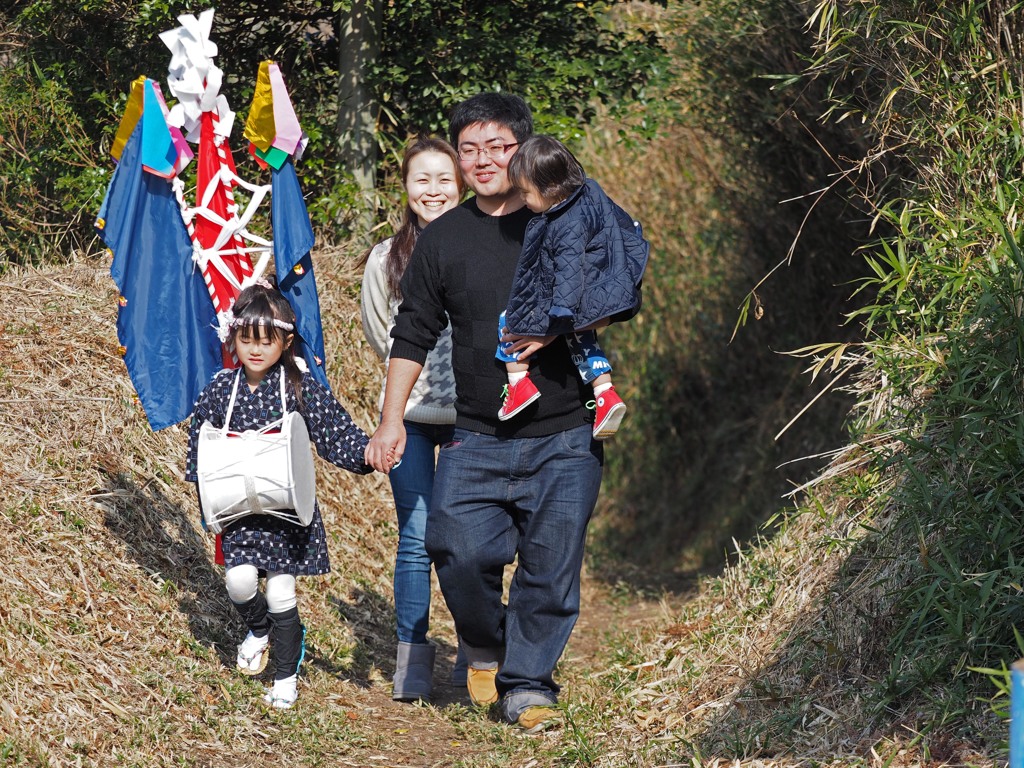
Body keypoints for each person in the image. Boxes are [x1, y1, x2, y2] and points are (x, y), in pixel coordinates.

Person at [366, 93, 613, 733]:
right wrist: (392, 420)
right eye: (470, 148)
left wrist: (553, 332)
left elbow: (616, 293)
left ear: (523, 149)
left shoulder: (559, 220)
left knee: (550, 566)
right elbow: (412, 331)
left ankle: (529, 688)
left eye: (498, 146)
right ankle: (487, 641)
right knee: (455, 546)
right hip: (475, 435)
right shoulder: (444, 238)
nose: (484, 159)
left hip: (564, 430)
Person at [186, 281, 374, 710]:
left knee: (281, 593)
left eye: (266, 340)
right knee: (239, 582)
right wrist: (206, 498)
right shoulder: (220, 387)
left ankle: (285, 678)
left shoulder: (298, 385)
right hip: (238, 510)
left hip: (286, 511)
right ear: (232, 338)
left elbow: (333, 430)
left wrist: (367, 453)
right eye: (246, 339)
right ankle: (258, 630)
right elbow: (202, 442)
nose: (255, 349)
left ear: (286, 342)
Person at [360, 136, 466, 702]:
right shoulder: (385, 259)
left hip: (473, 418)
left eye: (444, 179)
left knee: (474, 536)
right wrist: (410, 387)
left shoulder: (485, 243)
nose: (434, 190)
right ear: (405, 187)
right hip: (411, 418)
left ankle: (475, 649)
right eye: (421, 179)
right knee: (417, 535)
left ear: (462, 183)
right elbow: (382, 333)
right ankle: (412, 660)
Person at [495, 134, 648, 440]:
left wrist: (560, 314)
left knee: (509, 320)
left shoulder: (565, 225)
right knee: (582, 335)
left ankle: (518, 384)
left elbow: (568, 270)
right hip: (606, 283)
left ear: (550, 189)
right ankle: (604, 391)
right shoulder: (590, 190)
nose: (524, 201)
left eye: (525, 194)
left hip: (574, 296)